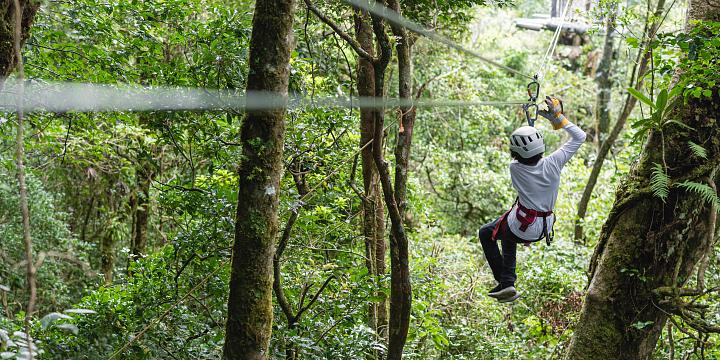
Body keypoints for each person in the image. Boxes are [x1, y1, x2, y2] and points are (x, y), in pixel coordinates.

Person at [478, 96, 586, 303]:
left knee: (486, 233)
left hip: (523, 225)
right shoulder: (555, 163)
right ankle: (506, 283)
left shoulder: (515, 168)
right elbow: (580, 136)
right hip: (544, 227)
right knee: (506, 232)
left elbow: (521, 155)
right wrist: (558, 119)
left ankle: (505, 281)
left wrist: (530, 125)